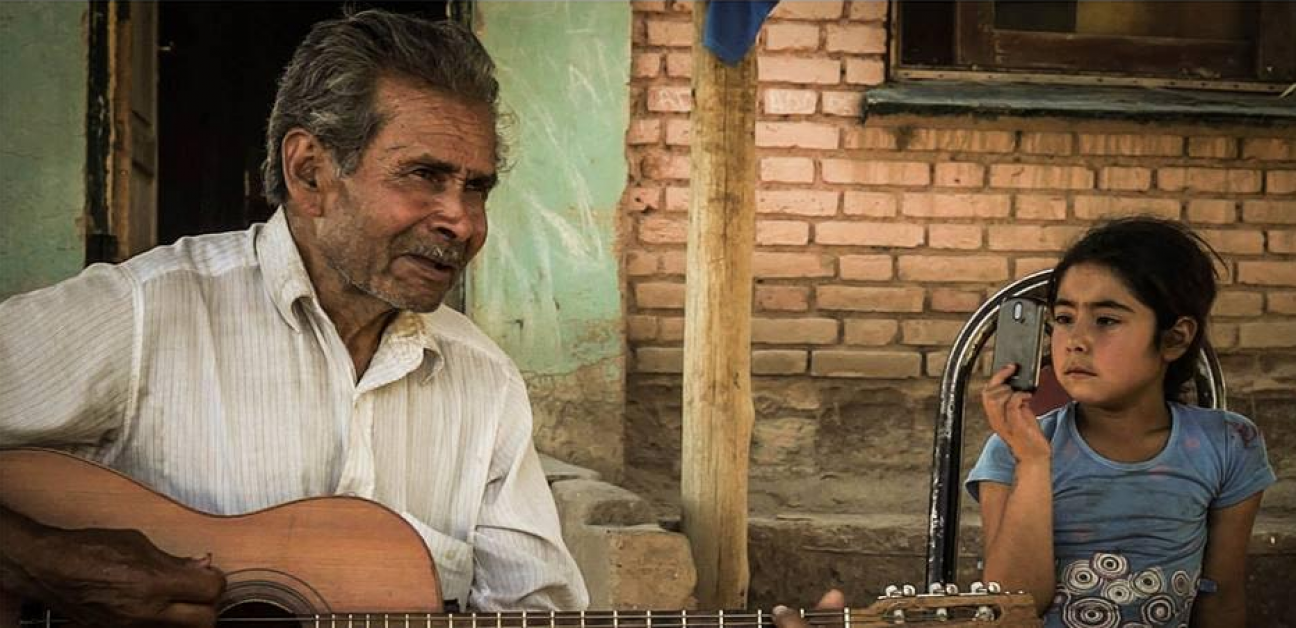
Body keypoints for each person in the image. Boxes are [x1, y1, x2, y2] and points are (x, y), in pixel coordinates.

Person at [0, 9, 589, 625]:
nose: (462, 222)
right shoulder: (147, 314)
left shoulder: (486, 382)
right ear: (310, 172)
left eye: (476, 188)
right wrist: (40, 560)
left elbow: (531, 606)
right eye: (424, 176)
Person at [966, 217, 1275, 627]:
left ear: (1174, 338)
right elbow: (1011, 609)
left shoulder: (1227, 444)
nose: (1076, 339)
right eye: (1063, 318)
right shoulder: (1014, 448)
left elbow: (1223, 598)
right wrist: (1033, 463)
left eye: (1106, 320)